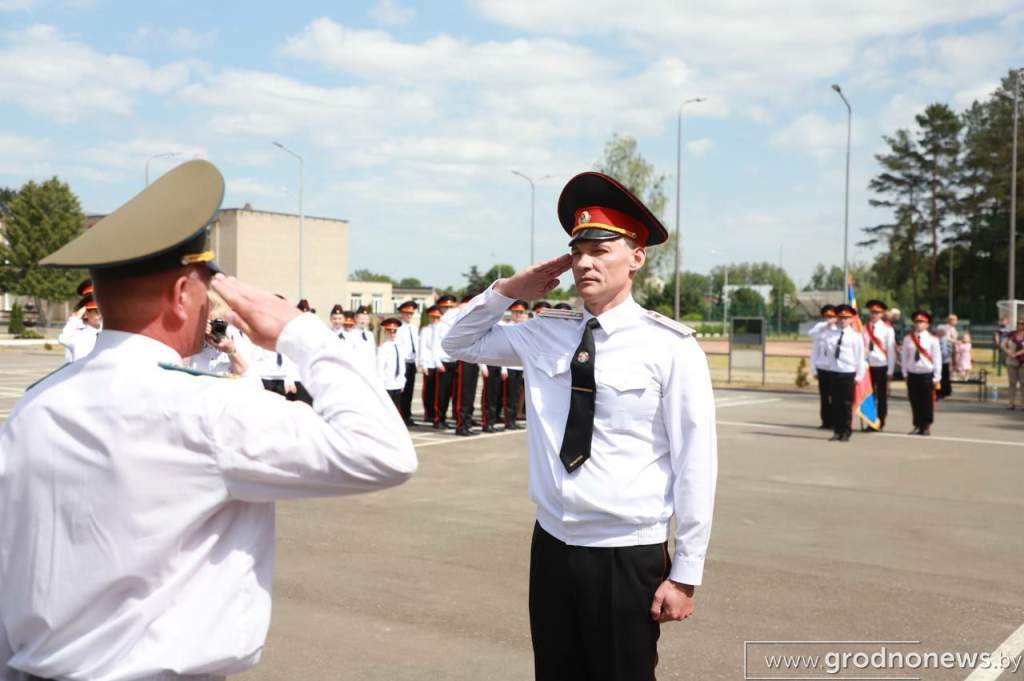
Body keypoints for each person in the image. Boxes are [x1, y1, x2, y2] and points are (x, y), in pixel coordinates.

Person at [0, 160, 417, 681]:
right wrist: (300, 333)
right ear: (181, 296)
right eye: (206, 289)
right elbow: (384, 453)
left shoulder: (35, 405)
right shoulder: (207, 407)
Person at [443, 171, 717, 681]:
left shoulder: (670, 347)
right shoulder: (545, 332)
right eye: (577, 251)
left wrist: (686, 572)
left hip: (627, 550)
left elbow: (696, 463)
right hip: (552, 543)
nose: (585, 262)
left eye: (601, 249)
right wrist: (506, 291)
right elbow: (456, 343)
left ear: (636, 257)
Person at [821, 304, 864, 442]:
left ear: (852, 319)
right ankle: (837, 431)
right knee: (835, 404)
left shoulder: (856, 337)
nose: (843, 320)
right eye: (840, 317)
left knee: (846, 404)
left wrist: (859, 375)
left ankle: (846, 431)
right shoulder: (831, 334)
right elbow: (827, 354)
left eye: (846, 318)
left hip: (848, 373)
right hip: (834, 372)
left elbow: (859, 357)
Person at [901, 310, 942, 435]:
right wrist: (905, 373)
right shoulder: (908, 338)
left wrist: (937, 376)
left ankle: (926, 425)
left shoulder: (932, 339)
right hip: (913, 374)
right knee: (915, 401)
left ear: (927, 324)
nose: (918, 324)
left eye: (921, 322)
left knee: (927, 401)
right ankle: (917, 425)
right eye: (917, 321)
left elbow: (937, 358)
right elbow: (904, 357)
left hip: (926, 374)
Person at [451, 294, 481, 437]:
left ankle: (467, 421)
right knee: (463, 393)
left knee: (470, 393)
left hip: (473, 357)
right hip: (463, 357)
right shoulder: (459, 313)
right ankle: (461, 425)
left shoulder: (475, 315)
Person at [862, 300, 895, 430]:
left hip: (881, 366)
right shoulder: (864, 328)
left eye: (877, 312)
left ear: (882, 314)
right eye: (872, 312)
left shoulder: (887, 329)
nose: (874, 314)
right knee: (869, 396)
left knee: (881, 397)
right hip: (867, 366)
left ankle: (880, 421)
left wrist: (890, 371)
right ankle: (870, 421)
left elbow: (891, 351)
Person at [431, 294, 459, 429]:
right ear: (441, 308)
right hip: (443, 362)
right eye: (445, 307)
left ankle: (444, 418)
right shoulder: (439, 325)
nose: (447, 310)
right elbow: (434, 345)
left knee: (449, 392)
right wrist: (437, 362)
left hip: (454, 361)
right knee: (441, 393)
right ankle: (438, 418)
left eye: (450, 307)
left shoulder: (454, 323)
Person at [808, 304, 837, 430]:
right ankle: (826, 422)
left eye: (831, 316)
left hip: (835, 369)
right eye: (827, 316)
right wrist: (813, 369)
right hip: (822, 368)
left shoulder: (838, 329)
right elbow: (813, 347)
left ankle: (835, 421)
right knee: (824, 397)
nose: (829, 318)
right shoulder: (820, 328)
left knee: (835, 397)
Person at [504, 299, 529, 430]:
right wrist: (503, 368)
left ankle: (512, 419)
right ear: (511, 312)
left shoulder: (525, 328)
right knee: (509, 396)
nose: (518, 314)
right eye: (516, 312)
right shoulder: (506, 327)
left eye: (521, 312)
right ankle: (508, 420)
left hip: (520, 367)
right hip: (509, 366)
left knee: (516, 396)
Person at [395, 301, 420, 426]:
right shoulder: (398, 328)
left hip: (412, 362)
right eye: (406, 313)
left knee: (410, 391)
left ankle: (407, 415)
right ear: (401, 314)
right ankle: (400, 417)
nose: (409, 316)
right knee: (402, 391)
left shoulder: (414, 328)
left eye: (411, 313)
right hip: (403, 362)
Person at [58, 291, 102, 362]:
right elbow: (63, 339)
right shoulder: (78, 336)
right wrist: (76, 318)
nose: (100, 316)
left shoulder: (106, 335)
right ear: (86, 314)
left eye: (102, 311)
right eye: (97, 312)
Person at [418, 304, 443, 424]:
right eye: (433, 317)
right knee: (428, 390)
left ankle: (435, 412)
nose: (435, 320)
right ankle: (428, 413)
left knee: (438, 391)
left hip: (439, 363)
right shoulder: (426, 330)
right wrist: (423, 364)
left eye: (437, 317)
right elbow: (422, 347)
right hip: (429, 363)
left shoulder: (441, 330)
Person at [376, 317, 407, 411]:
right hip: (387, 385)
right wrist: (381, 385)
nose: (392, 334)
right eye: (389, 331)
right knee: (387, 410)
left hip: (397, 383)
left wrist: (402, 382)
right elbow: (380, 368)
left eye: (394, 331)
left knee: (397, 409)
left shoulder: (399, 347)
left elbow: (402, 366)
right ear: (385, 332)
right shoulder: (382, 348)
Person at [1000, 319, 1024, 410]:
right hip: (1011, 361)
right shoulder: (1011, 334)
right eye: (1019, 323)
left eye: (1022, 323)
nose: (1020, 325)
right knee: (1012, 382)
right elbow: (1003, 344)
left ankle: (1023, 404)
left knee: (1023, 383)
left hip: (1022, 362)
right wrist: (1008, 352)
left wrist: (1017, 354)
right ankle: (1011, 403)